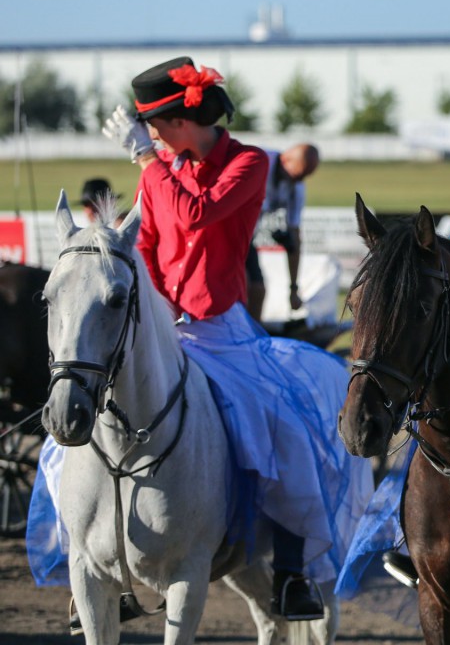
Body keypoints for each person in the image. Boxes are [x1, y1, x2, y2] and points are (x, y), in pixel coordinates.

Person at [28, 57, 370, 622]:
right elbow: (148, 247)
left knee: (284, 429)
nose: (152, 137)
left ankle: (291, 572)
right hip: (159, 328)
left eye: (155, 127)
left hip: (223, 330)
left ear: (182, 121)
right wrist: (151, 311)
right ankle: (90, 556)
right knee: (71, 432)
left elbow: (195, 214)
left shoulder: (248, 163)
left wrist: (148, 160)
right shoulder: (159, 168)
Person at [246, 143, 321, 321]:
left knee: (257, 290)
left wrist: (293, 288)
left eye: (303, 177)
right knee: (239, 286)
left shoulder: (296, 186)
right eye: (296, 175)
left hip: (246, 238)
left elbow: (295, 236)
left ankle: (252, 334)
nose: (296, 182)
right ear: (285, 159)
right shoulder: (257, 165)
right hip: (225, 232)